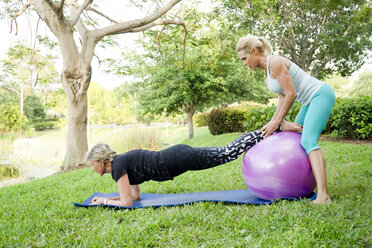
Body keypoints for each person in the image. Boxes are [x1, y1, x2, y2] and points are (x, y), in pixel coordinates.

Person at [85, 120, 302, 207]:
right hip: (176, 157)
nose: (91, 168)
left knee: (227, 153)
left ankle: (275, 127)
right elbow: (134, 197)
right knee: (226, 153)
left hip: (177, 159)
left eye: (91, 164)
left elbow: (127, 203)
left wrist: (104, 200)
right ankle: (272, 128)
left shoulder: (118, 167)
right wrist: (109, 198)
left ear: (101, 161)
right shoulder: (121, 165)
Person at [236, 36, 336, 204]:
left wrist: (278, 122)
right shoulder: (268, 76)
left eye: (244, 58)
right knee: (295, 137)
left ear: (254, 51)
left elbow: (292, 94)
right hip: (308, 101)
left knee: (308, 140)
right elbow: (282, 98)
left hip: (320, 94)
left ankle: (323, 195)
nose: (244, 63)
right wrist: (276, 123)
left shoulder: (275, 62)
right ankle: (302, 182)